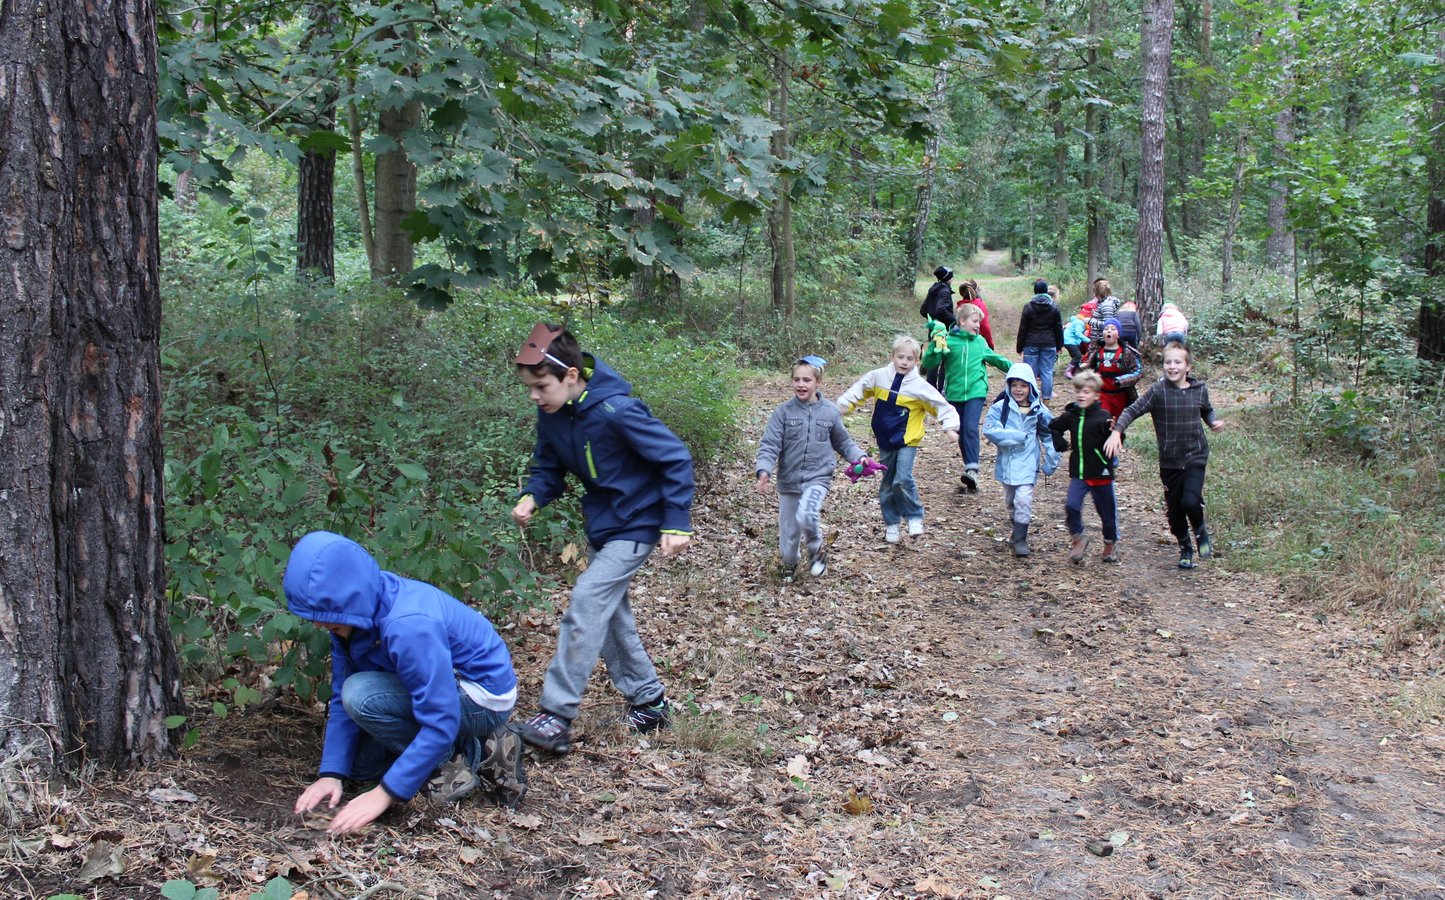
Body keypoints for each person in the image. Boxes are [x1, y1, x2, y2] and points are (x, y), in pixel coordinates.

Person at [510, 323, 694, 753]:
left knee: (587, 600)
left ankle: (556, 715)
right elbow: (547, 467)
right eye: (529, 388)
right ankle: (650, 702)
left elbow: (675, 458)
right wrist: (533, 496)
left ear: (571, 376)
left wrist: (676, 522)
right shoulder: (553, 414)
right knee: (610, 616)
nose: (534, 396)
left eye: (541, 387)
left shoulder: (618, 411)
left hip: (638, 523)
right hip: (604, 525)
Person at [285, 531, 525, 834]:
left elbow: (440, 719)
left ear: (348, 596)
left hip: (481, 695)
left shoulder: (408, 625)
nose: (318, 625)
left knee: (360, 695)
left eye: (324, 616)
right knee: (361, 769)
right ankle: (466, 746)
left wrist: (383, 794)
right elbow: (339, 696)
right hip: (441, 688)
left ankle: (467, 753)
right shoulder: (352, 613)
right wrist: (331, 773)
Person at [1104, 342, 1225, 569]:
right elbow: (1132, 410)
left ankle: (1200, 532)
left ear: (1188, 366)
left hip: (1195, 455)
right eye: (1168, 362)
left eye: (1177, 362)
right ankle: (1185, 546)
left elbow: (1206, 409)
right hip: (1169, 461)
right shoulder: (1158, 392)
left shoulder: (1199, 389)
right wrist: (1117, 431)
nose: (1172, 366)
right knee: (1175, 512)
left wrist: (1213, 422)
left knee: (1190, 499)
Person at [754, 356, 868, 581]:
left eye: (806, 380)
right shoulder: (783, 413)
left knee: (808, 513)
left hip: (818, 477)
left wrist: (860, 457)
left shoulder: (830, 412)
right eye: (796, 379)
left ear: (818, 382)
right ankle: (790, 563)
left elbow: (843, 442)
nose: (801, 384)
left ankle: (816, 552)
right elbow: (769, 444)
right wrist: (764, 470)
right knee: (789, 533)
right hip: (789, 480)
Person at [837, 335, 960, 542]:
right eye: (900, 357)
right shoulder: (878, 377)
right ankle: (892, 523)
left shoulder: (919, 386)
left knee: (902, 478)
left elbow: (940, 405)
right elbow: (859, 390)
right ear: (892, 357)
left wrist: (950, 427)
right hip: (885, 438)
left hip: (908, 440)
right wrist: (840, 407)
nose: (904, 362)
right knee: (888, 482)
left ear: (916, 361)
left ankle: (914, 516)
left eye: (910, 359)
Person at [922, 303, 1012, 494]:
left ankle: (973, 469)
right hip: (954, 394)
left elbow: (996, 359)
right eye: (975, 320)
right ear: (962, 321)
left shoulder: (979, 342)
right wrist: (934, 349)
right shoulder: (948, 341)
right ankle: (970, 469)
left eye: (979, 321)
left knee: (970, 428)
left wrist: (1017, 370)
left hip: (975, 392)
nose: (978, 325)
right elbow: (930, 364)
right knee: (962, 430)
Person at [983, 363, 1060, 556]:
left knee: (1023, 499)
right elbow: (990, 430)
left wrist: (1051, 459)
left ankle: (1020, 539)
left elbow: (1049, 435)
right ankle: (1016, 525)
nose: (1019, 390)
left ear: (1031, 387)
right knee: (1011, 501)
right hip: (1007, 462)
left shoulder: (1039, 411)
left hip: (1028, 462)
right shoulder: (1001, 408)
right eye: (1015, 385)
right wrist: (1016, 436)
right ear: (1008, 386)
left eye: (1023, 385)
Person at [1049, 370, 1120, 565]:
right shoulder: (1071, 415)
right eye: (1078, 390)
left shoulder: (1103, 418)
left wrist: (1113, 432)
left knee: (1106, 512)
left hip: (1101, 474)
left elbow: (1115, 435)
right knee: (1071, 505)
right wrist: (1060, 444)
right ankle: (1078, 538)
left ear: (1096, 395)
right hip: (1079, 473)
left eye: (1087, 392)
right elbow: (1054, 426)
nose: (1081, 395)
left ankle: (1110, 544)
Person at [1081, 318, 1144, 420]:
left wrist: (1122, 380)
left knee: (1114, 422)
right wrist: (1085, 366)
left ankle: (1115, 434)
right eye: (1106, 328)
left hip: (1119, 396)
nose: (1109, 331)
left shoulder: (1126, 352)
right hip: (1101, 394)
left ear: (1119, 334)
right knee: (1103, 417)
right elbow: (1086, 362)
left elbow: (1138, 371)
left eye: (1113, 329)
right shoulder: (1096, 349)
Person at [1016, 279, 1066, 402]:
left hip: (1030, 343)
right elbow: (1058, 328)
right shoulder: (1054, 307)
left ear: (1035, 291)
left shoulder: (1028, 307)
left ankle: (1031, 400)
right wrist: (1060, 345)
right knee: (1047, 372)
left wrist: (1019, 346)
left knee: (1030, 373)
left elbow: (1023, 328)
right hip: (1049, 344)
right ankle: (1046, 400)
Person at [920, 266, 957, 392]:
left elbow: (923, 310)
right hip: (944, 330)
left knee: (934, 358)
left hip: (933, 330)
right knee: (944, 359)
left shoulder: (933, 289)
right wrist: (954, 320)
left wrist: (933, 321)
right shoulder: (944, 291)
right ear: (948, 278)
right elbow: (941, 309)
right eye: (951, 275)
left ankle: (930, 388)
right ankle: (940, 390)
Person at [1062, 299, 1097, 376]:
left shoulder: (1077, 321)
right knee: (1077, 356)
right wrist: (1088, 340)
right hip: (1070, 341)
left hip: (1070, 341)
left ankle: (1074, 370)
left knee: (1077, 356)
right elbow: (1078, 333)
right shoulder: (1080, 323)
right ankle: (1068, 372)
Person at [958, 279, 995, 349]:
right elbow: (985, 326)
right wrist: (990, 344)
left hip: (961, 344)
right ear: (976, 291)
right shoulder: (979, 305)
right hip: (977, 343)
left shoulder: (959, 306)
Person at [1088, 279, 1122, 346]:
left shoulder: (1107, 305)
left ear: (1097, 291)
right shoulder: (1103, 303)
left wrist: (1090, 321)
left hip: (1102, 342)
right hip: (1099, 341)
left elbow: (1108, 325)